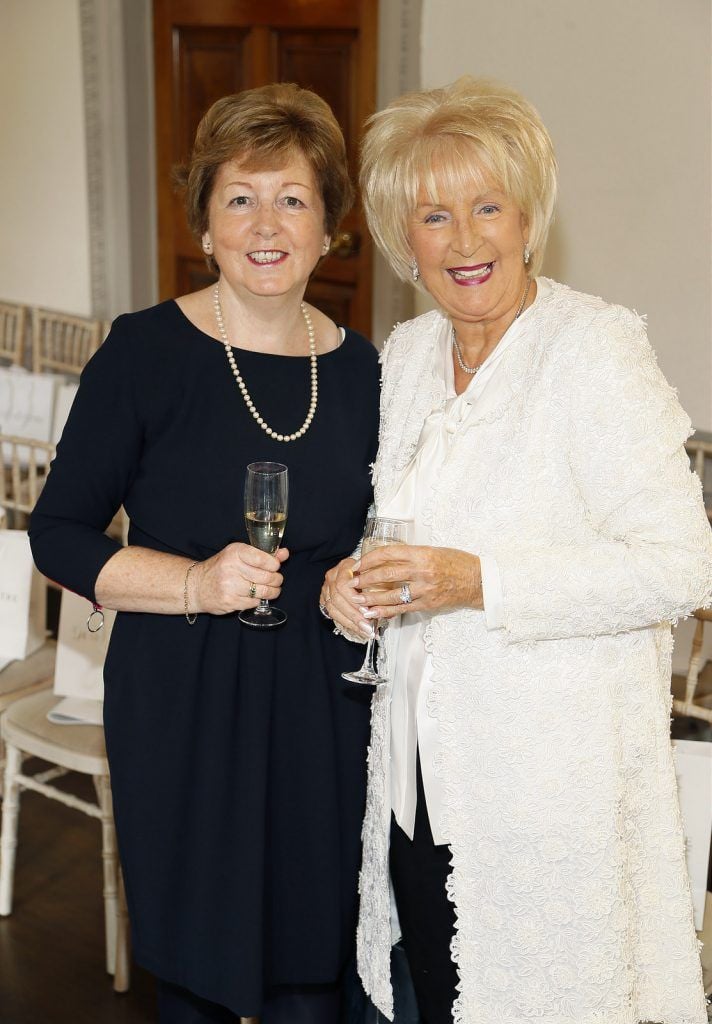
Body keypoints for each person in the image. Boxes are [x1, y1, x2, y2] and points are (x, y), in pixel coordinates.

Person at [321, 77, 712, 1024]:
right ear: (399, 238)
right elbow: (403, 527)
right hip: (419, 776)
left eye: (487, 207)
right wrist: (351, 579)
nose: (465, 241)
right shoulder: (409, 354)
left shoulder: (593, 351)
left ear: (528, 216)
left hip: (548, 796)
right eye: (434, 215)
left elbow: (679, 563)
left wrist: (479, 581)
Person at [30, 83, 380, 1024]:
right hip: (182, 697)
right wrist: (192, 581)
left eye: (294, 199)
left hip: (325, 704)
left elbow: (380, 531)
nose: (267, 224)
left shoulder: (366, 371)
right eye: (241, 197)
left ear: (329, 225)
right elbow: (56, 532)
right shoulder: (143, 353)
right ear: (205, 219)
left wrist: (353, 577)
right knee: (200, 968)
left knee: (318, 961)